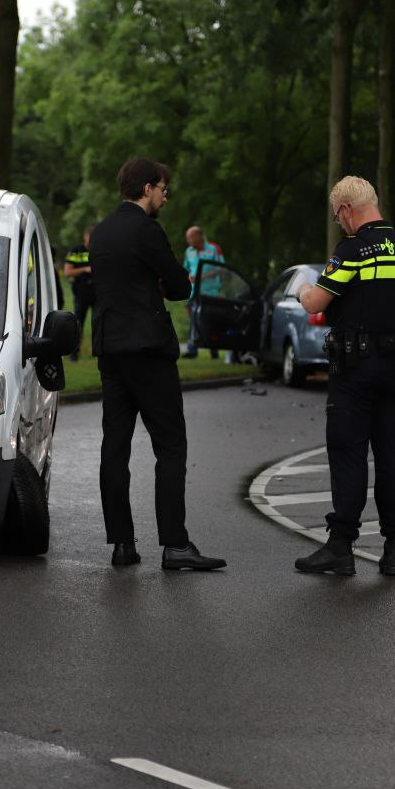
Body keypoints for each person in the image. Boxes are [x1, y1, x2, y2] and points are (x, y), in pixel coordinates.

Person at [89, 158, 227, 571]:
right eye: (163, 190)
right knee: (169, 446)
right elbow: (180, 287)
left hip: (110, 350)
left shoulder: (101, 233)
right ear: (147, 188)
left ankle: (122, 544)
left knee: (115, 448)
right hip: (148, 351)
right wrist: (167, 280)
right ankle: (175, 544)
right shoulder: (146, 230)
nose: (165, 197)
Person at [292, 176, 395, 577]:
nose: (339, 224)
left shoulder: (353, 249)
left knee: (348, 452)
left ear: (347, 209)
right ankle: (394, 548)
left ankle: (341, 547)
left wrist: (300, 289)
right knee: (391, 455)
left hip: (356, 369)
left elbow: (316, 301)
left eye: (337, 217)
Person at [181, 226, 225, 359]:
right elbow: (185, 270)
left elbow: (221, 268)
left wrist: (202, 277)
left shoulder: (213, 248)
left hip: (210, 292)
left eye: (190, 237)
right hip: (194, 292)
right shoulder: (188, 251)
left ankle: (214, 352)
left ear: (199, 236)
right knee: (194, 321)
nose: (188, 240)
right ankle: (192, 350)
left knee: (211, 321)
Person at [63, 226, 95, 361]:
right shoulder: (76, 251)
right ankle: (74, 353)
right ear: (85, 237)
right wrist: (85, 269)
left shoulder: (100, 250)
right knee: (78, 324)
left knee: (99, 323)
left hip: (98, 292)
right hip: (81, 293)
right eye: (89, 239)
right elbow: (67, 272)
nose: (91, 242)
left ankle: (98, 351)